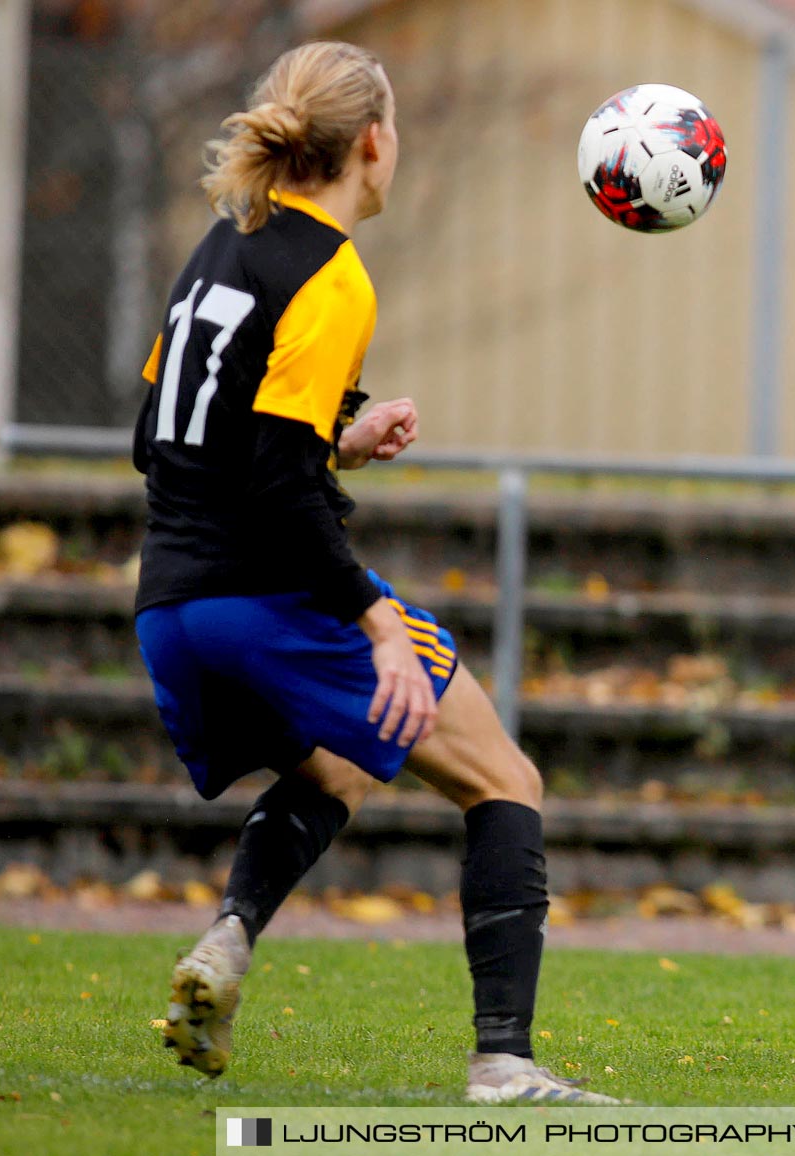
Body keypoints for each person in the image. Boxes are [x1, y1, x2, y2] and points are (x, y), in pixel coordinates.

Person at [131, 41, 613, 1106]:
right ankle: (505, 1062)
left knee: (340, 769)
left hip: (169, 605)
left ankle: (227, 941)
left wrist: (334, 438)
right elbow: (274, 483)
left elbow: (167, 438)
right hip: (266, 597)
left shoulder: (224, 243)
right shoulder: (331, 273)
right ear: (374, 144)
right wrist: (377, 619)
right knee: (505, 780)